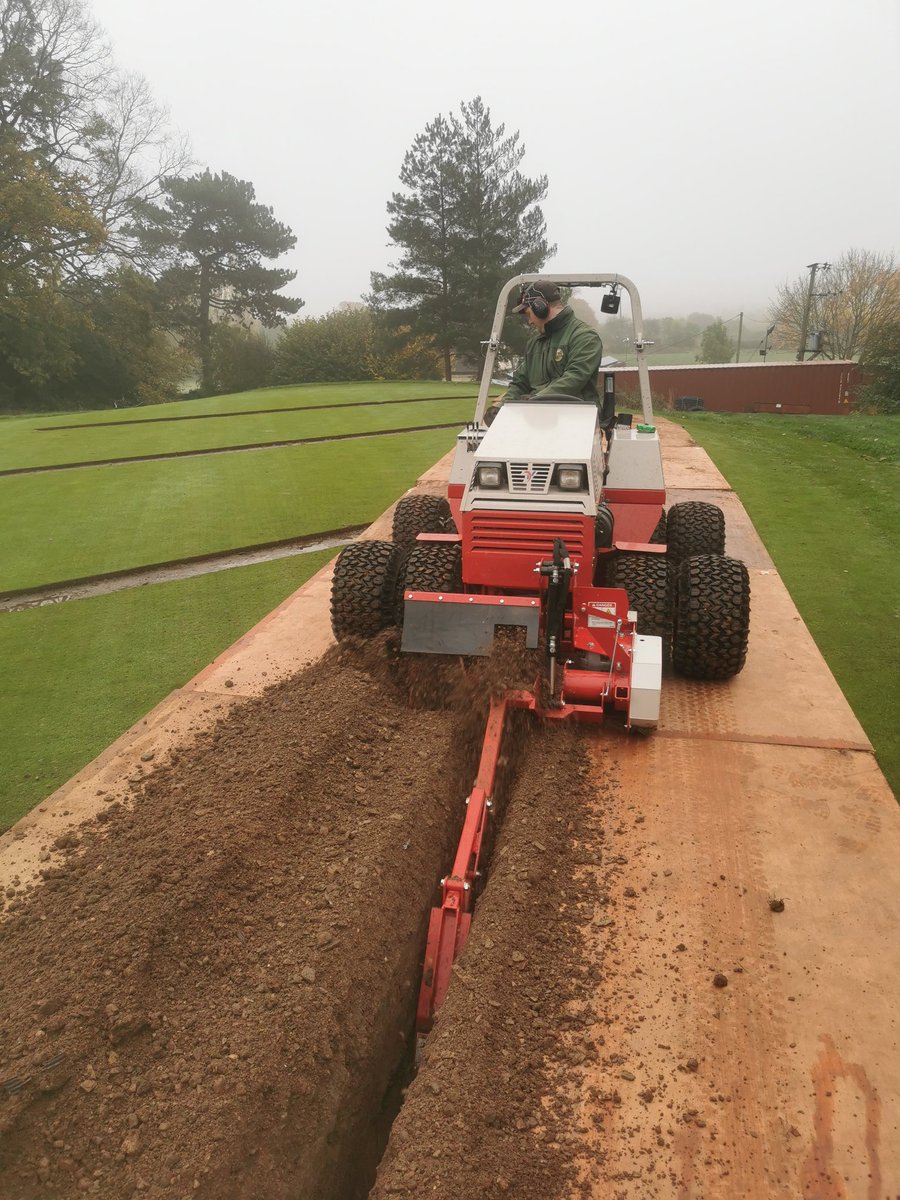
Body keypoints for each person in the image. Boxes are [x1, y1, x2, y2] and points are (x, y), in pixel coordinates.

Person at [485, 281, 603, 424]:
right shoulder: (534, 344)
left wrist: (535, 400)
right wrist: (502, 408)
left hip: (577, 423)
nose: (529, 322)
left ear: (540, 308)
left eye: (529, 314)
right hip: (537, 421)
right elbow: (520, 383)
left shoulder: (584, 337)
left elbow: (574, 378)